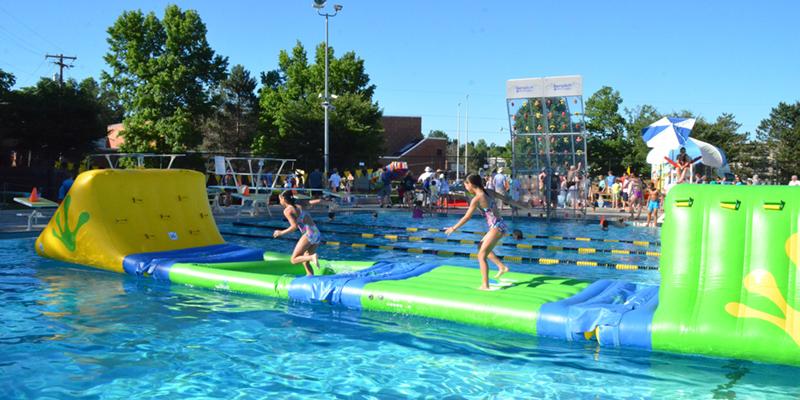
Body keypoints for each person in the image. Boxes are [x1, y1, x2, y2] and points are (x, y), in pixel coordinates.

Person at [444, 174, 510, 291]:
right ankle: (502, 267)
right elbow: (506, 199)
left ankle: (485, 285)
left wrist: (453, 228)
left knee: (481, 255)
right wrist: (522, 205)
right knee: (480, 247)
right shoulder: (489, 191)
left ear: (471, 184)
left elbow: (467, 217)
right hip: (500, 225)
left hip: (496, 227)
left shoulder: (477, 198)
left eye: (465, 185)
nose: (465, 187)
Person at [272, 191, 321, 276]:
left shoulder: (287, 210)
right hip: (317, 233)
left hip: (309, 233)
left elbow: (294, 227)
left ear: (284, 199)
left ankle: (312, 257)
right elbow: (313, 203)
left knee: (294, 259)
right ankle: (310, 278)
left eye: (280, 199)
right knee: (305, 262)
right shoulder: (298, 206)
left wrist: (281, 232)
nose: (279, 201)